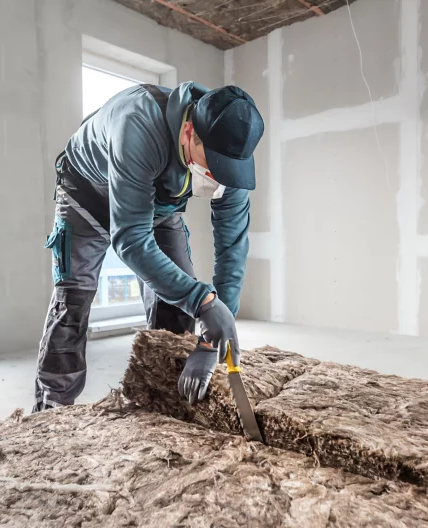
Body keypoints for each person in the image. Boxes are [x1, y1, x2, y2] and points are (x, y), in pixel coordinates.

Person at [33, 81, 264, 412]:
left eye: (229, 171)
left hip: (156, 207)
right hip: (86, 194)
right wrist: (203, 301)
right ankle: (50, 412)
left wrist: (209, 340)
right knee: (73, 300)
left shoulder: (231, 160)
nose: (219, 178)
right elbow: (131, 238)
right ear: (188, 133)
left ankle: (166, 402)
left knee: (178, 306)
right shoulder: (137, 123)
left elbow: (232, 249)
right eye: (212, 166)